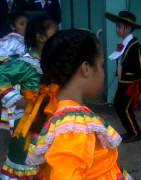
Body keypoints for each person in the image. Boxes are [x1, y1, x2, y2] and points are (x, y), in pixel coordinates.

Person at [13, 29, 132, 179]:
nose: (103, 73)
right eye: (101, 65)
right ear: (86, 68)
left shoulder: (58, 111)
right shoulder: (73, 126)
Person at [0, 15, 58, 179]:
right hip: (27, 125)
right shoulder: (26, 63)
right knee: (25, 162)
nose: (58, 38)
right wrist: (16, 99)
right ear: (40, 37)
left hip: (47, 122)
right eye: (55, 34)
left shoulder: (51, 61)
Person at [105, 11, 141, 143]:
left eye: (119, 26)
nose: (117, 29)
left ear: (128, 28)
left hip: (131, 82)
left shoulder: (137, 47)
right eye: (117, 26)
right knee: (118, 104)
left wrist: (133, 79)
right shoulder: (125, 43)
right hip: (123, 81)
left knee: (124, 107)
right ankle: (131, 131)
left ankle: (135, 132)